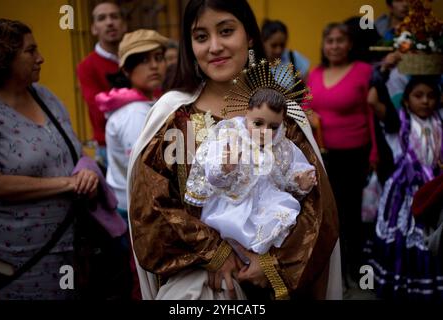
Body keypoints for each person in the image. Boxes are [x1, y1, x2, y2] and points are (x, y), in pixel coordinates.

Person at [127, 0, 341, 300]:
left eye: (226, 31)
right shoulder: (174, 116)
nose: (214, 46)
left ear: (249, 36)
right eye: (201, 37)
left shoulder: (282, 113)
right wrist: (215, 253)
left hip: (278, 287)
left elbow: (318, 207)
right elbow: (149, 206)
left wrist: (270, 263)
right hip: (205, 286)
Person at [0, 19, 99, 299]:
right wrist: (68, 184)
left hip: (73, 247)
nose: (40, 58)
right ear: (3, 58)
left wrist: (87, 171)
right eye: (30, 51)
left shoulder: (46, 97)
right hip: (18, 259)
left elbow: (75, 150)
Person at [185, 75, 317, 258]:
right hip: (234, 204)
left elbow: (291, 170)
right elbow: (212, 179)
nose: (265, 131)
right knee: (234, 228)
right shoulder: (229, 136)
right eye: (258, 123)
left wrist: (299, 180)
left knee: (284, 214)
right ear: (247, 114)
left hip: (268, 202)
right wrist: (226, 167)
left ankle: (262, 258)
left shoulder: (283, 146)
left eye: (273, 126)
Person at [306, 22, 376, 288]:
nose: (334, 45)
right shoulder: (314, 73)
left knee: (352, 214)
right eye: (329, 41)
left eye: (340, 40)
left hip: (356, 154)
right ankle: (336, 273)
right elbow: (306, 107)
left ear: (349, 44)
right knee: (329, 213)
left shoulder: (363, 71)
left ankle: (356, 270)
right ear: (324, 46)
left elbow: (371, 115)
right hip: (325, 155)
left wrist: (375, 154)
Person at [369, 76, 443, 299]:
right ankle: (402, 285)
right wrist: (382, 71)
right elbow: (372, 100)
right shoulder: (396, 122)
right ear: (407, 100)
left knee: (434, 237)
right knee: (405, 238)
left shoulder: (440, 119)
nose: (425, 101)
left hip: (435, 191)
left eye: (431, 96)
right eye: (418, 96)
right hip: (405, 194)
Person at [96, 29, 168, 217]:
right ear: (126, 70)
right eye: (144, 60)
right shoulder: (134, 113)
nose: (154, 66)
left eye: (159, 58)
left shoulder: (145, 103)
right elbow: (144, 169)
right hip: (139, 207)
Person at [77, 0, 127, 169]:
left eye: (114, 16)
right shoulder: (87, 66)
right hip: (108, 146)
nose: (109, 22)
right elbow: (99, 110)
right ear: (93, 28)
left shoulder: (136, 60)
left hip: (143, 138)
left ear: (124, 24)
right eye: (102, 18)